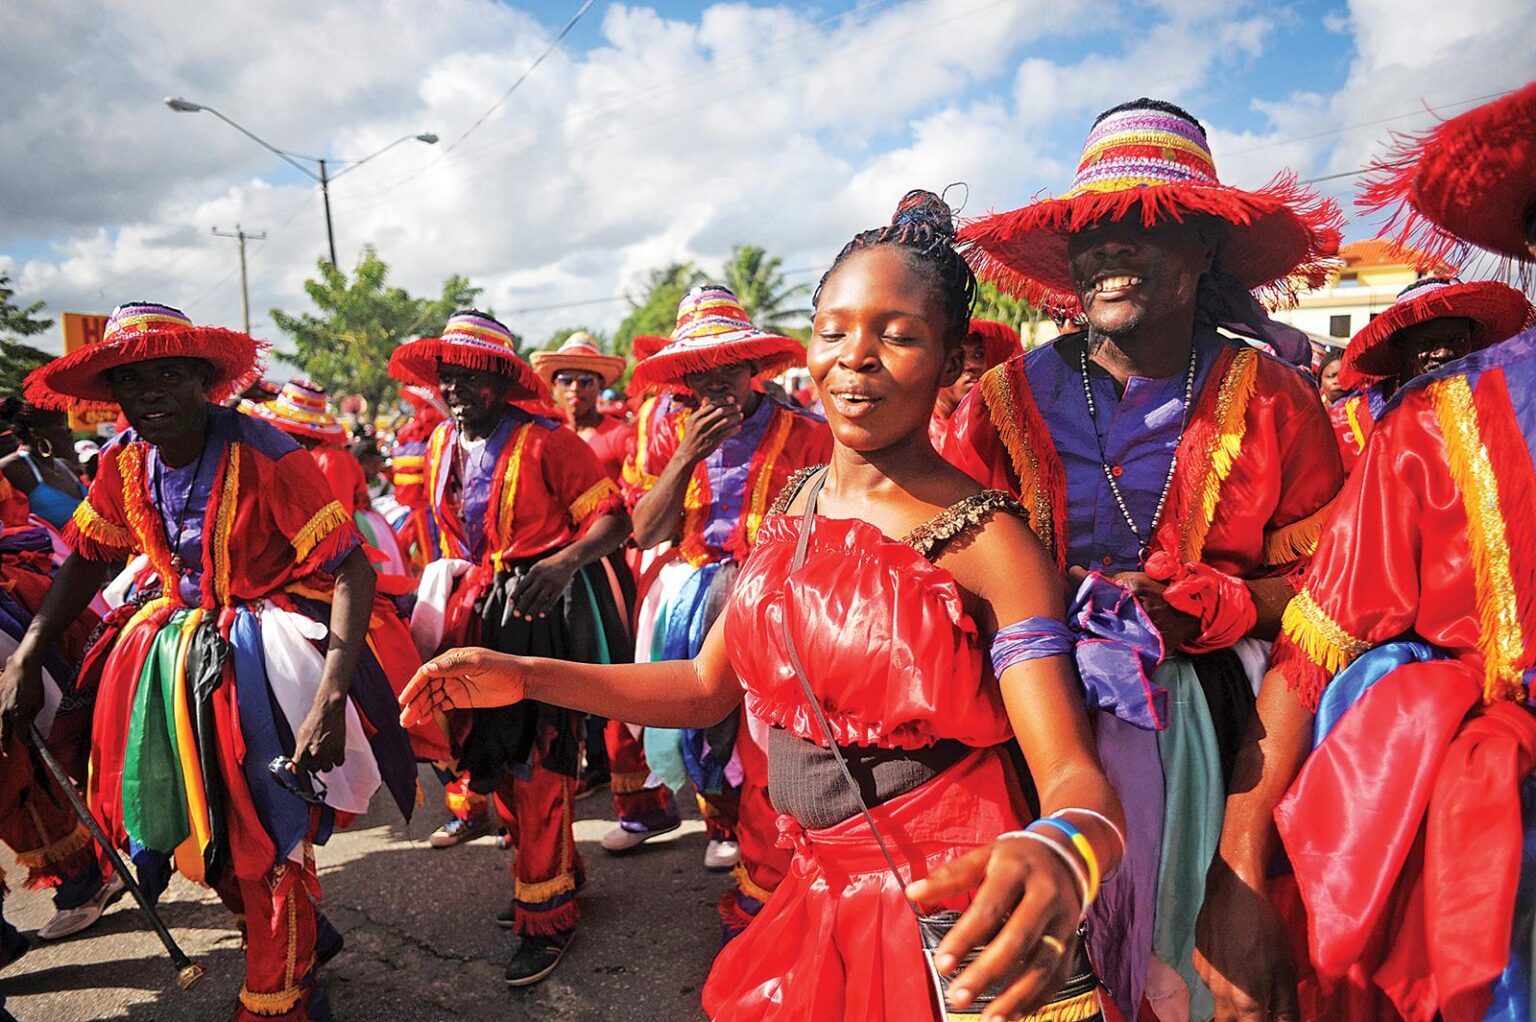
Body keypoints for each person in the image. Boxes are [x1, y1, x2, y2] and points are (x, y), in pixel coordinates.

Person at [400, 190, 1125, 1022]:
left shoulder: (992, 543)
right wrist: (522, 674)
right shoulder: (797, 504)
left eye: (898, 335)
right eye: (835, 330)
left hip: (944, 901)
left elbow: (1071, 770)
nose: (857, 358)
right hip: (813, 887)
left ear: (951, 354)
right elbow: (709, 686)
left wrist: (1062, 850)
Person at [946, 97, 1344, 1019]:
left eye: (1145, 223)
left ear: (1203, 251)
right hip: (1025, 727)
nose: (1111, 248)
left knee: (1203, 982)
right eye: (1093, 229)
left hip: (1227, 734)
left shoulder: (1276, 399)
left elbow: (1337, 594)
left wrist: (1225, 604)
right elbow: (948, 573)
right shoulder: (1003, 400)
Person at [0, 302, 441, 1022]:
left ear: (205, 380)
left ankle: (281, 997)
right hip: (170, 655)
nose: (149, 393)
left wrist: (330, 700)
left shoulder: (267, 453)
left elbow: (351, 570)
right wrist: (26, 654)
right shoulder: (121, 461)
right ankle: (302, 938)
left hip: (266, 658)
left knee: (267, 834)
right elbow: (87, 555)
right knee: (191, 826)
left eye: (168, 375)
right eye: (131, 380)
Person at [1200, 80, 1536, 1022]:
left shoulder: (1404, 422)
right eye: (1421, 349)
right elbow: (1322, 635)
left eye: (1452, 342)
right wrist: (1240, 860)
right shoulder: (1421, 427)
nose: (1439, 359)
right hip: (1491, 824)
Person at [389, 310, 632, 986]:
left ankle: (546, 911)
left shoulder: (549, 442)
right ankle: (555, 873)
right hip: (473, 612)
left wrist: (562, 565)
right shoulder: (441, 442)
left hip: (537, 614)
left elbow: (614, 520)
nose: (456, 387)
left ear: (500, 381)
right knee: (489, 756)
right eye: (448, 375)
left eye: (471, 375)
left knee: (537, 761)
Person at [620, 284, 831, 936]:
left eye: (728, 369)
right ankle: (722, 826)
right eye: (697, 373)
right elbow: (646, 531)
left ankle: (781, 882)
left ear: (753, 368)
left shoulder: (810, 432)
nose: (713, 385)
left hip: (784, 607)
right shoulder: (663, 429)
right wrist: (686, 454)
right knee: (695, 732)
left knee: (772, 749)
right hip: (692, 598)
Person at [1328, 276, 1533, 472]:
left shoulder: (1503, 409)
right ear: (1401, 346)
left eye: (1457, 341)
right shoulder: (1349, 425)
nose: (1444, 353)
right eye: (1428, 343)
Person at [929, 318, 1021, 446]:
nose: (972, 365)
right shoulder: (909, 432)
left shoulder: (1000, 434)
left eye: (979, 354)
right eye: (959, 355)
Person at [0, 399, 86, 531]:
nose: (68, 430)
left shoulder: (67, 467)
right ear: (35, 432)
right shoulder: (13, 469)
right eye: (60, 424)